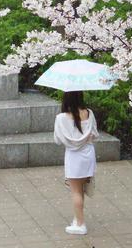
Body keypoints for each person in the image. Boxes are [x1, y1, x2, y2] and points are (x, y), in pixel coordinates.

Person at [53, 90, 99, 235]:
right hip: (88, 154)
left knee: (75, 191)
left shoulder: (61, 118)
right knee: (81, 190)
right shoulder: (89, 113)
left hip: (74, 156)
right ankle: (78, 218)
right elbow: (95, 134)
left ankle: (80, 224)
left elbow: (58, 139)